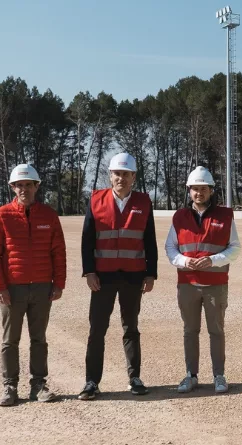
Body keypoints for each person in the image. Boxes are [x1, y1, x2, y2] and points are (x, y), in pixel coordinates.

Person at [0, 164, 66, 407]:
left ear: (36, 186)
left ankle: (38, 384)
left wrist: (58, 283)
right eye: (19, 185)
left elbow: (58, 251)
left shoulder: (49, 215)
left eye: (28, 185)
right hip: (13, 289)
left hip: (42, 287)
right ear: (12, 187)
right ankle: (10, 386)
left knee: (39, 339)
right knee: (10, 340)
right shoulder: (2, 215)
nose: (24, 189)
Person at [78, 153, 158, 400]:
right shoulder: (96, 200)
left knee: (131, 328)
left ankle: (134, 378)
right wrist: (89, 271)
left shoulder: (144, 202)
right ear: (110, 175)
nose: (120, 177)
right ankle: (92, 382)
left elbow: (149, 240)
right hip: (103, 277)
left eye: (126, 174)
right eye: (117, 173)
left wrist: (151, 273)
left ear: (133, 177)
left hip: (133, 276)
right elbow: (87, 240)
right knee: (97, 329)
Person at [165, 166, 241, 394]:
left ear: (211, 191)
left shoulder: (225, 216)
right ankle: (191, 375)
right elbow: (170, 247)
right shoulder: (179, 217)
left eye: (204, 189)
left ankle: (219, 375)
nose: (199, 193)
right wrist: (183, 261)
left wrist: (214, 260)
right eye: (195, 189)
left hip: (215, 285)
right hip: (187, 283)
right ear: (189, 191)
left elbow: (234, 248)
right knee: (190, 330)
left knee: (216, 330)